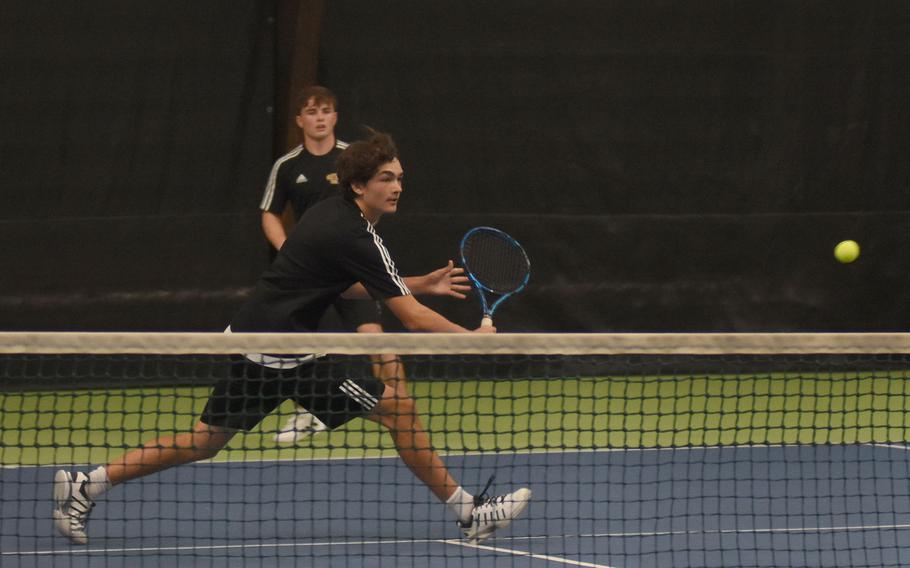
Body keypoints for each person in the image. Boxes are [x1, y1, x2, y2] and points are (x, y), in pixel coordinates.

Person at [53, 132, 532, 546]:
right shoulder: (358, 236)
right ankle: (469, 513)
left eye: (400, 177)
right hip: (285, 351)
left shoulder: (331, 213)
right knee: (398, 409)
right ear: (359, 185)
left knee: (203, 442)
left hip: (258, 337)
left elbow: (335, 283)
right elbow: (413, 320)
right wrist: (474, 336)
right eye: (387, 178)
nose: (397, 187)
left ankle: (86, 484)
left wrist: (416, 283)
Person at [260, 85, 404, 443]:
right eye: (311, 111)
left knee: (375, 339)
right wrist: (287, 247)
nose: (319, 118)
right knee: (304, 347)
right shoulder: (288, 165)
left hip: (351, 272)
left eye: (325, 111)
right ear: (300, 120)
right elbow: (269, 214)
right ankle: (308, 412)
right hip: (310, 278)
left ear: (335, 117)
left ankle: (403, 407)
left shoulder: (353, 162)